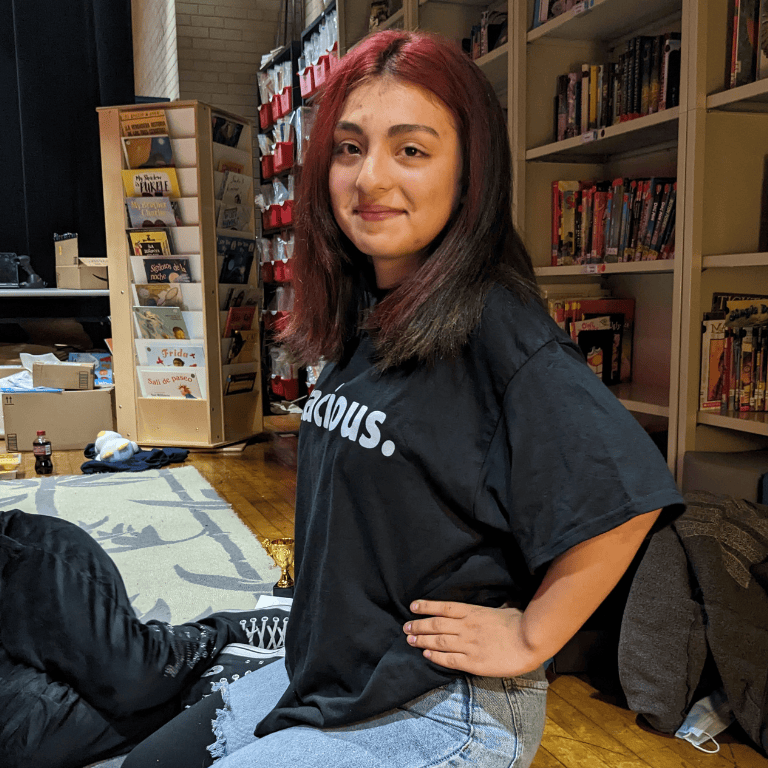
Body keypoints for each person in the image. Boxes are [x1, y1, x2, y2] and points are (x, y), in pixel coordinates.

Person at [123, 29, 684, 767]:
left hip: (442, 703)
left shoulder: (495, 324)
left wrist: (530, 635)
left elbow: (628, 491)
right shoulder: (368, 301)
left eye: (411, 150)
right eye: (350, 148)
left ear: (469, 172)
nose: (370, 178)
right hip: (334, 672)